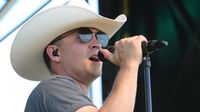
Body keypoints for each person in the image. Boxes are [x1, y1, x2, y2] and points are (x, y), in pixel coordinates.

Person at [10, 0, 147, 112]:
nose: (97, 44)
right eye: (84, 35)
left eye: (101, 37)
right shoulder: (52, 87)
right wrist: (129, 64)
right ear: (55, 53)